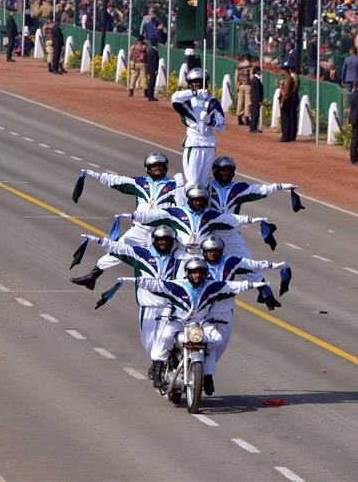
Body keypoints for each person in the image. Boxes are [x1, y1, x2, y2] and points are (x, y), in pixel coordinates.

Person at [114, 257, 272, 392]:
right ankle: (158, 368)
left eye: (201, 272)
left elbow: (233, 286)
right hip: (178, 322)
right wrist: (131, 280)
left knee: (215, 339)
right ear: (189, 274)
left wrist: (257, 285)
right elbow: (155, 284)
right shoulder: (178, 285)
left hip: (199, 324)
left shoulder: (210, 286)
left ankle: (207, 375)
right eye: (195, 272)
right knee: (165, 337)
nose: (198, 275)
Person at [79, 227, 186, 377]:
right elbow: (119, 248)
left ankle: (159, 365)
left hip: (170, 306)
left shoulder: (180, 258)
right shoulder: (142, 254)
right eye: (160, 240)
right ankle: (162, 361)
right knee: (148, 342)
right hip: (148, 306)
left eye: (167, 240)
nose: (163, 243)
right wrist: (98, 240)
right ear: (154, 240)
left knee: (167, 337)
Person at [70, 152, 181, 289]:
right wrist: (96, 175)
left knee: (166, 265)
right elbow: (117, 181)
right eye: (154, 166)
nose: (157, 168)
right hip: (139, 230)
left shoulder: (174, 186)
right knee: (117, 249)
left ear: (165, 167)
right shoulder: (140, 183)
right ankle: (92, 276)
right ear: (148, 168)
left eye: (160, 166)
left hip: (163, 235)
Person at [199, 236, 288, 370]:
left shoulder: (230, 261)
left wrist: (274, 266)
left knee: (220, 344)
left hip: (225, 309)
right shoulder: (196, 264)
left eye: (216, 251)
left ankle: (204, 370)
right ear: (204, 252)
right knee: (196, 341)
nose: (213, 253)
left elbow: (253, 265)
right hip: (202, 311)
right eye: (210, 251)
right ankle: (199, 371)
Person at [128, 184, 269, 254]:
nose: (198, 203)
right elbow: (155, 215)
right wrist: (132, 216)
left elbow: (230, 218)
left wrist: (253, 220)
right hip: (182, 255)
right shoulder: (177, 212)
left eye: (201, 200)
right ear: (189, 199)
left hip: (202, 256)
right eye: (195, 200)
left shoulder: (210, 214)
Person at [206, 156, 298, 256]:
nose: (225, 173)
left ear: (233, 172)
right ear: (215, 171)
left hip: (231, 234)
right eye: (222, 170)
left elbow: (261, 190)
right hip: (210, 233)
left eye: (228, 170)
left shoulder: (238, 188)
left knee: (249, 267)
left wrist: (280, 186)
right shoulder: (207, 186)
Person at [171, 68, 225, 187]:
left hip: (209, 144)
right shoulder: (186, 101)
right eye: (195, 81)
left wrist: (210, 121)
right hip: (194, 143)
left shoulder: (213, 102)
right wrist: (195, 93)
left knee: (204, 183)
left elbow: (221, 126)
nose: (198, 84)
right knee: (192, 182)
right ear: (189, 84)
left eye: (201, 81)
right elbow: (175, 98)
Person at [278, 72, 299, 142]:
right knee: (289, 117)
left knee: (291, 117)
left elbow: (293, 88)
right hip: (289, 97)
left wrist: (283, 101)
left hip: (291, 97)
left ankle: (291, 134)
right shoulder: (289, 78)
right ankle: (289, 134)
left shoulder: (292, 78)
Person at [235, 55, 253, 125]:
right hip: (248, 85)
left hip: (240, 85)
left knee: (240, 102)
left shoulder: (238, 66)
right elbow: (251, 77)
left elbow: (236, 77)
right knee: (248, 103)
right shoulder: (250, 66)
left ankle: (239, 118)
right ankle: (246, 118)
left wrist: (236, 86)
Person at [249, 66, 264, 133]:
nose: (261, 72)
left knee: (254, 113)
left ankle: (253, 127)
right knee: (255, 113)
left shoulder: (255, 79)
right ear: (258, 71)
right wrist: (259, 101)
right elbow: (257, 92)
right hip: (256, 99)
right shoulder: (256, 80)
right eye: (260, 71)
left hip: (254, 99)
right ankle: (253, 128)